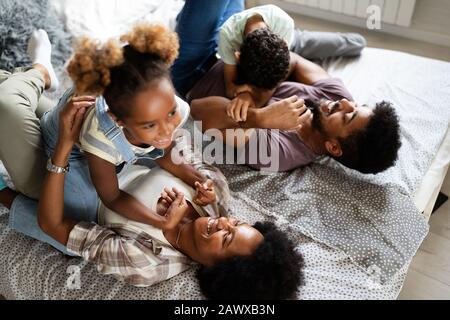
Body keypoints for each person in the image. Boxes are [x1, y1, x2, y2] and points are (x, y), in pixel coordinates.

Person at [0, 76, 304, 299]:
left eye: (225, 239)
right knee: (67, 100)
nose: (222, 222)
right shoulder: (216, 196)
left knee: (6, 103)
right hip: (108, 147)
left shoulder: (147, 262)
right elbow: (168, 143)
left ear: (217, 270)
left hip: (69, 177)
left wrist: (64, 147)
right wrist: (193, 177)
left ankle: (38, 72)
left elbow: (53, 224)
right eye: (235, 223)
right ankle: (30, 78)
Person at [169, 1, 401, 174]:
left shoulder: (279, 153)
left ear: (333, 147)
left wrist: (257, 117)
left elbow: (198, 109)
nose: (346, 103)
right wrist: (257, 94)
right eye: (356, 106)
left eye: (348, 116)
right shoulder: (336, 97)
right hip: (235, 48)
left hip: (194, 70)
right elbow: (294, 61)